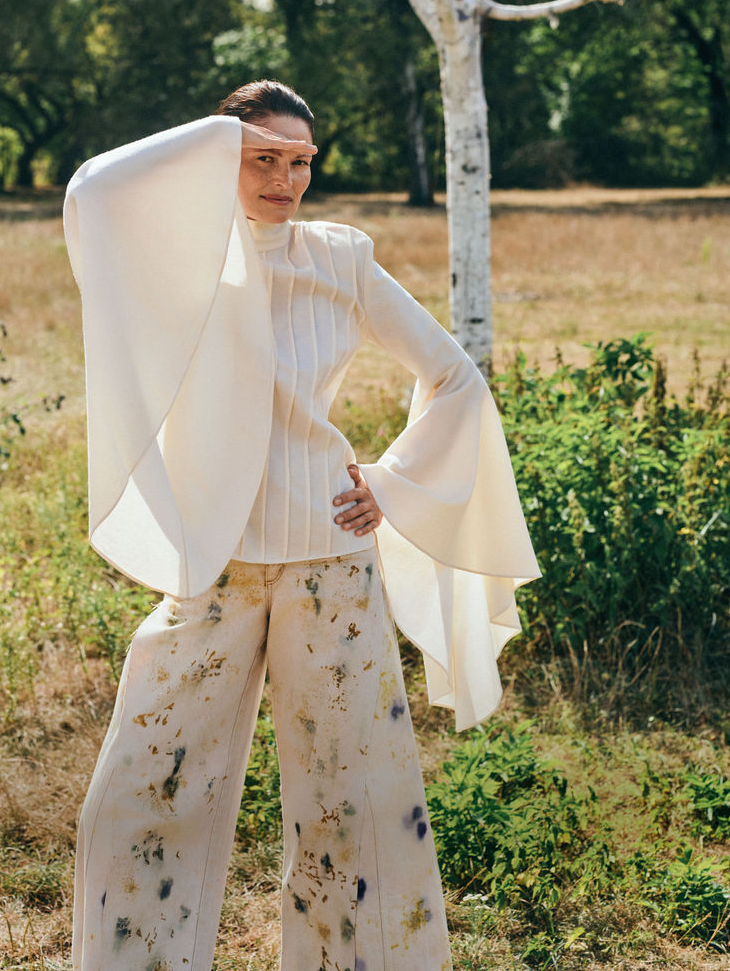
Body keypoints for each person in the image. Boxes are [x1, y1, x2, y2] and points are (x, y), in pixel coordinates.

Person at [63, 80, 540, 971]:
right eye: (263, 160)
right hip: (214, 560)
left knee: (350, 801)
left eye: (301, 163)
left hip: (332, 562)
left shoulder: (340, 257)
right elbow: (93, 188)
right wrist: (214, 139)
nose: (284, 180)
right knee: (141, 789)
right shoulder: (182, 257)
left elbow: (455, 378)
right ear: (219, 157)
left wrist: (393, 483)